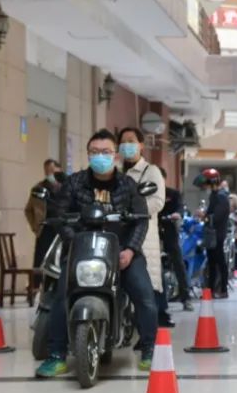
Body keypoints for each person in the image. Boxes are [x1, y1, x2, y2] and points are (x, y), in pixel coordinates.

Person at [35, 129, 159, 376]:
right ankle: (57, 354)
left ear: (115, 155)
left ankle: (149, 349)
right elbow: (60, 217)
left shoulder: (128, 184)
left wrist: (131, 250)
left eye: (105, 152)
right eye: (94, 152)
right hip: (82, 250)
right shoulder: (74, 183)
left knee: (145, 296)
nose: (100, 156)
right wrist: (73, 241)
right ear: (88, 155)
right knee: (60, 296)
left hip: (122, 252)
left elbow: (141, 220)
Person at [119, 127, 170, 328]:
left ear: (141, 145)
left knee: (144, 288)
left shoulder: (151, 172)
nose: (127, 145)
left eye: (131, 141)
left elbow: (158, 201)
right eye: (123, 142)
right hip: (116, 234)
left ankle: (147, 334)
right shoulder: (115, 172)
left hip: (142, 235)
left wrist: (133, 211)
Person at [159, 169, 194, 311]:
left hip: (169, 231)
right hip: (151, 232)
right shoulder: (147, 193)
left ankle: (186, 298)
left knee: (178, 262)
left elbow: (180, 207)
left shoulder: (172, 194)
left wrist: (177, 214)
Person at [25, 159, 63, 287]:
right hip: (45, 229)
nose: (50, 174)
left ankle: (59, 285)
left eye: (52, 171)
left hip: (61, 229)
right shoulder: (39, 188)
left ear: (59, 170)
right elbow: (28, 210)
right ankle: (36, 287)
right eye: (47, 171)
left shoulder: (67, 187)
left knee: (60, 258)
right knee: (41, 259)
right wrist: (35, 227)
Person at [201, 168, 230, 299]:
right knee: (211, 263)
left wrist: (205, 216)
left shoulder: (221, 197)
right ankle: (210, 290)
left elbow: (217, 216)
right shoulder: (214, 196)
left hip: (218, 234)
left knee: (220, 262)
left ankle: (223, 289)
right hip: (211, 234)